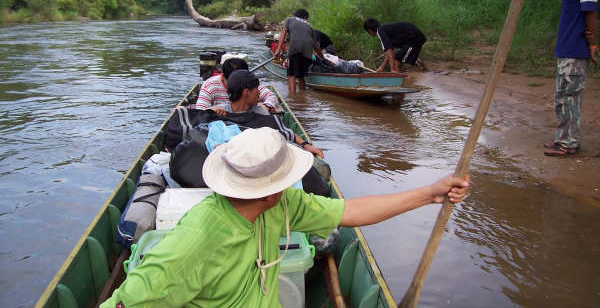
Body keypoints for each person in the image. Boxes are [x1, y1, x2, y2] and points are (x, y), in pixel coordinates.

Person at [100, 127, 470, 308]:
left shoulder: (279, 206)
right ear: (273, 188)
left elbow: (351, 211)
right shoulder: (194, 241)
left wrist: (429, 194)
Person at [544, 0, 598, 157]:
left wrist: (593, 43)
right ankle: (562, 139)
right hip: (567, 49)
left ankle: (568, 143)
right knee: (562, 97)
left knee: (570, 97)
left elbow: (591, 13)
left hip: (575, 51)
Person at [209, 69, 324, 158]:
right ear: (246, 92)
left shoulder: (260, 112)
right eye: (256, 89)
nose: (259, 93)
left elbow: (283, 131)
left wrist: (306, 145)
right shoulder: (218, 112)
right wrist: (209, 114)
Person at [193, 57, 279, 113]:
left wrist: (267, 106)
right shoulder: (210, 85)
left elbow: (271, 97)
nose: (237, 82)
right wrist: (213, 112)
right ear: (223, 76)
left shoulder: (250, 82)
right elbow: (199, 113)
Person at [274, 9, 316, 94]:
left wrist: (278, 49)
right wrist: (322, 57)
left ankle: (292, 99)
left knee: (291, 75)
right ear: (304, 17)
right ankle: (303, 97)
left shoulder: (289, 19)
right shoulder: (309, 25)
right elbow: (316, 44)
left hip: (296, 48)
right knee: (301, 76)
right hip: (308, 52)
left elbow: (283, 33)